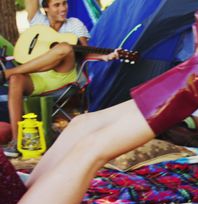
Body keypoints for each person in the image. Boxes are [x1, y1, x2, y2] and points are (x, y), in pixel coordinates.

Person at [0, 9, 198, 204]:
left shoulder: (72, 25)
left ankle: (197, 71)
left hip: (13, 203)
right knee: (89, 150)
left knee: (80, 126)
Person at [1, 0, 118, 158]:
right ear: (46, 8)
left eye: (64, 4)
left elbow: (85, 51)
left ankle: (6, 73)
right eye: (57, 5)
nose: (63, 8)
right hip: (38, 77)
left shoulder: (75, 24)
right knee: (16, 79)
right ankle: (16, 141)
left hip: (63, 77)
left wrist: (105, 56)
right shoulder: (38, 22)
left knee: (64, 47)